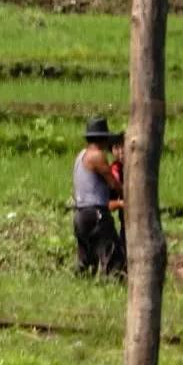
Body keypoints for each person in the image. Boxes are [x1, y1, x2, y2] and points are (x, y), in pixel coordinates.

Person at [72, 117, 125, 278]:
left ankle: (81, 284)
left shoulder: (81, 155)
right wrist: (128, 198)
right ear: (102, 138)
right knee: (113, 256)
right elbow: (113, 184)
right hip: (96, 214)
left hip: (80, 214)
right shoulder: (97, 156)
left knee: (86, 258)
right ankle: (114, 286)